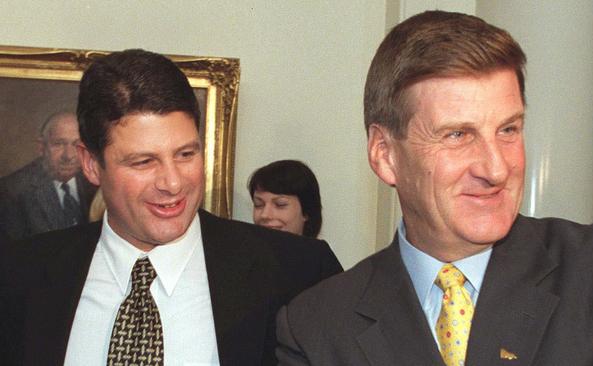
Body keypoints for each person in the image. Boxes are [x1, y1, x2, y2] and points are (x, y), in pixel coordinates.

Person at [276, 10, 593, 366]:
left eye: (508, 130)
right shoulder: (317, 326)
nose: (496, 168)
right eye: (458, 135)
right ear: (385, 155)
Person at [0, 49, 342, 366]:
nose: (173, 183)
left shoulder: (302, 273)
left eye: (185, 154)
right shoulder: (19, 277)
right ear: (90, 164)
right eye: (143, 161)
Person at [0, 112, 97, 240]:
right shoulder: (12, 191)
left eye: (76, 145)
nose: (68, 156)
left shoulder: (97, 181)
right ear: (41, 147)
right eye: (59, 144)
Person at [248, 160, 322, 238]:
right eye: (258, 205)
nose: (265, 215)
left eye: (280, 204)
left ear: (306, 211)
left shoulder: (320, 250)